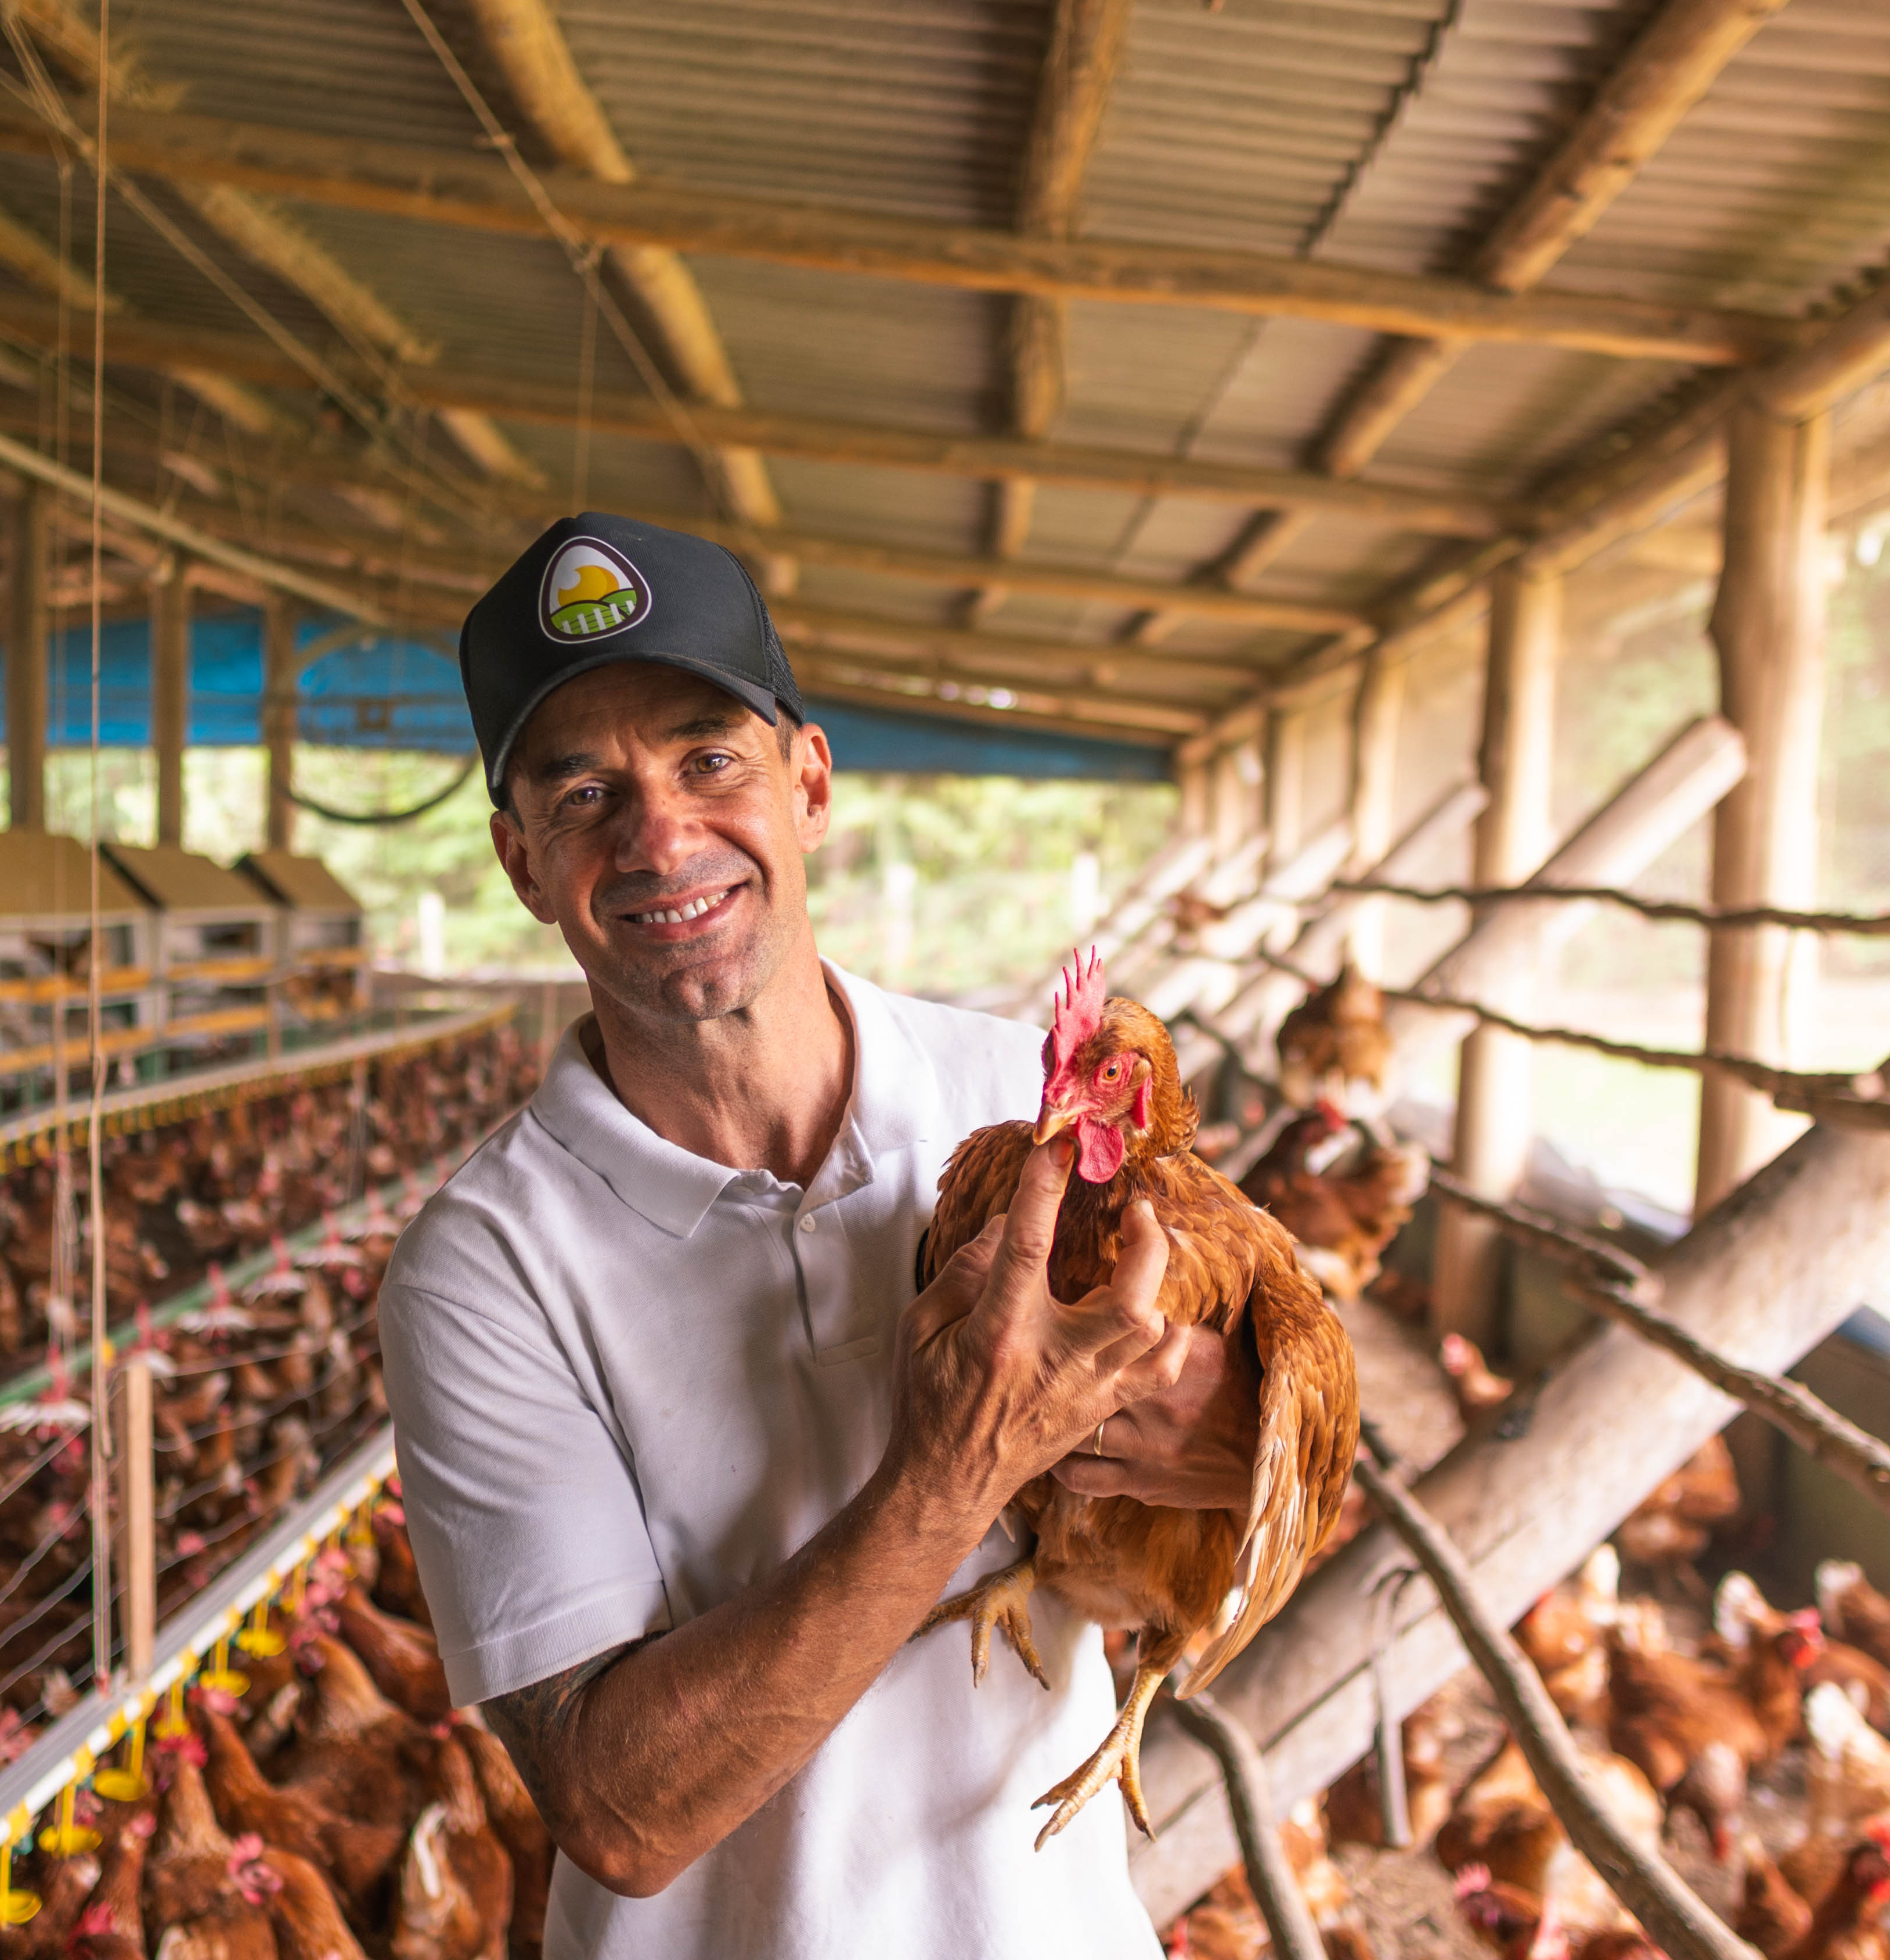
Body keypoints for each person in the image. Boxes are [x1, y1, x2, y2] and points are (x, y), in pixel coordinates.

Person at [376, 511, 1266, 1957]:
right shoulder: (485, 1266)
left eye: (708, 758)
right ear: (522, 863)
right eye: (584, 791)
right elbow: (620, 1813)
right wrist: (952, 1467)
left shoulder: (1033, 1103)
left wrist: (1230, 1442)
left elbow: (1227, 1540)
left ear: (810, 778)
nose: (659, 835)